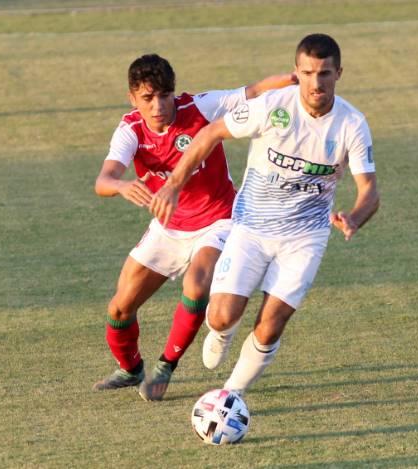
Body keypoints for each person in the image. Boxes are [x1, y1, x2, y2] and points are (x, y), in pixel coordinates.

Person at [150, 34, 380, 396]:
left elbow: (370, 191)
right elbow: (211, 133)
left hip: (305, 236)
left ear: (339, 73)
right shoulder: (273, 107)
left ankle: (230, 396)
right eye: (308, 73)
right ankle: (222, 332)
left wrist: (354, 217)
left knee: (271, 324)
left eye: (324, 73)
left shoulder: (351, 124)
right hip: (251, 227)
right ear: (297, 72)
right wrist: (174, 184)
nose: (316, 83)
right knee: (221, 316)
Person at [93, 53, 295, 401]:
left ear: (174, 93)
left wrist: (297, 80)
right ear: (132, 98)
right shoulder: (131, 130)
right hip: (168, 226)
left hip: (219, 218)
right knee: (120, 309)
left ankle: (165, 367)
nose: (158, 106)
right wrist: (122, 186)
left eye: (164, 95)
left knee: (197, 284)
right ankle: (130, 369)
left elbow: (254, 90)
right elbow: (103, 180)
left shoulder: (200, 108)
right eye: (147, 97)